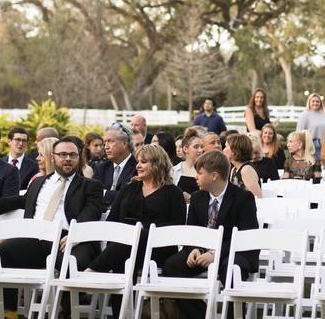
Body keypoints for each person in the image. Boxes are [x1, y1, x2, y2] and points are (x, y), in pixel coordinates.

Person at [0, 138, 105, 314]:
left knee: (73, 262)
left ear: (78, 157)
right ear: (53, 157)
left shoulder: (90, 186)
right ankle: (9, 313)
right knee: (3, 253)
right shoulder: (40, 182)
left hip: (68, 239)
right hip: (36, 238)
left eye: (72, 155)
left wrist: (75, 234)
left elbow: (92, 212)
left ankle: (63, 312)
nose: (68, 159)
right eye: (62, 155)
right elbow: (23, 200)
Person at [89, 144, 187, 318]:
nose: (138, 165)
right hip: (124, 246)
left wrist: (147, 232)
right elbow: (113, 220)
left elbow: (177, 228)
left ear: (157, 164)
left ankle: (93, 271)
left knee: (135, 237)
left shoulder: (173, 193)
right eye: (138, 162)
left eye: (144, 162)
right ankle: (124, 314)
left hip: (158, 248)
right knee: (125, 253)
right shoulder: (129, 188)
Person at [162, 150, 259, 319]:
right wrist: (193, 249)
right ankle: (203, 315)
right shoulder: (198, 197)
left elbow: (246, 236)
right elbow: (192, 230)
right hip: (201, 250)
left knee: (230, 268)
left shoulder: (243, 198)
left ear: (214, 176)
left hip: (233, 251)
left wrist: (215, 254)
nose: (195, 177)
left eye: (199, 173)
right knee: (172, 266)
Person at [92, 123, 137, 206]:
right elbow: (92, 195)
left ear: (124, 143)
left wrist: (104, 193)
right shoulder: (101, 168)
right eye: (105, 142)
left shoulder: (138, 167)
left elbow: (130, 198)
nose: (106, 147)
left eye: (110, 141)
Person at [173, 127, 204, 200]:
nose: (200, 150)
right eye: (196, 147)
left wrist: (191, 198)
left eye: (201, 147)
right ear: (185, 149)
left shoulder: (206, 170)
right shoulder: (174, 170)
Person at [297, 92, 325, 161]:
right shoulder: (304, 115)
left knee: (319, 169)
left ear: (320, 103)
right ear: (309, 102)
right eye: (313, 101)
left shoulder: (323, 115)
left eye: (317, 101)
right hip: (310, 146)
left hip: (323, 146)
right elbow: (299, 132)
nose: (315, 103)